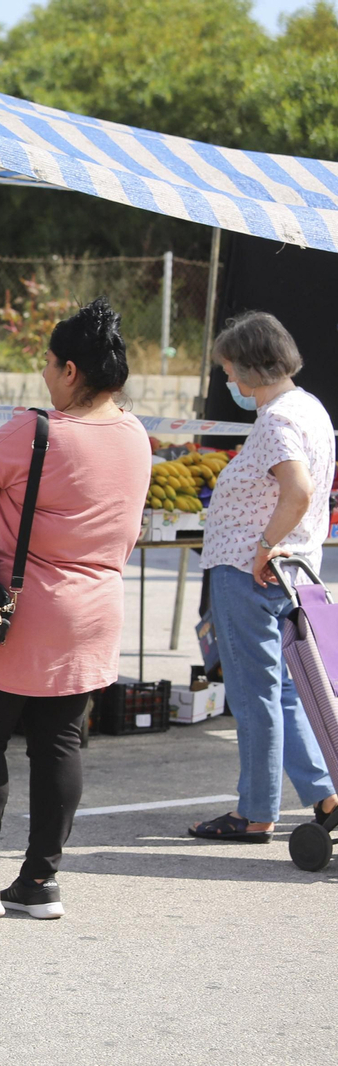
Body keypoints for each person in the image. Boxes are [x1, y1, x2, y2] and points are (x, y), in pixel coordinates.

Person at [0, 297, 149, 921]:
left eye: (47, 362)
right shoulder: (136, 436)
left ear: (71, 370)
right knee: (60, 743)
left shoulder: (38, 429)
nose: (43, 373)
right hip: (95, 610)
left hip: (19, 613)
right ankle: (41, 883)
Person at [187, 312, 338, 844]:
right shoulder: (310, 408)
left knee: (255, 696)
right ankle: (323, 792)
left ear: (250, 369)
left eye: (229, 371)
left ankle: (255, 812)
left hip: (252, 571)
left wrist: (263, 545)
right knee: (289, 691)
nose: (229, 382)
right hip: (291, 572)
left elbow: (295, 490)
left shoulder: (275, 420)